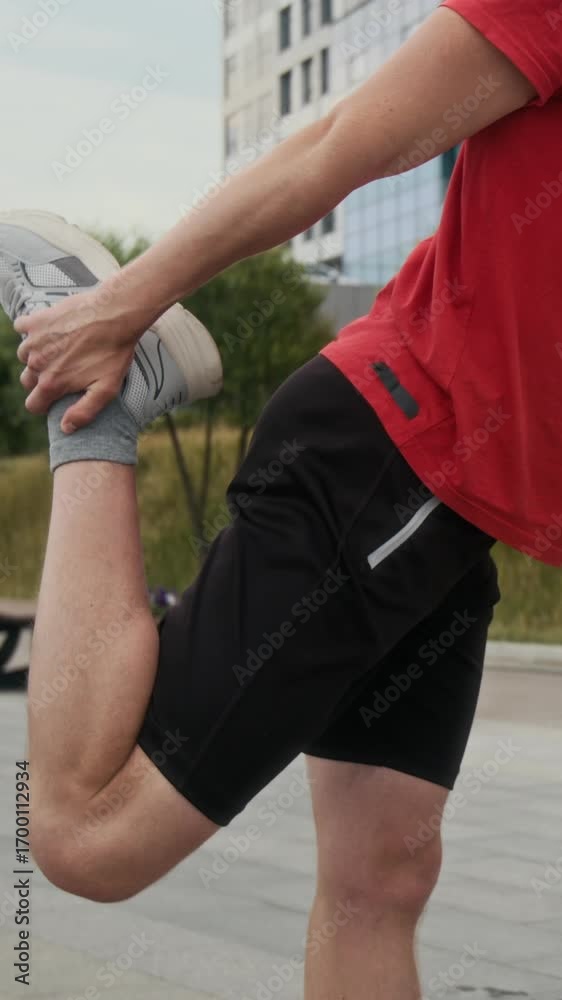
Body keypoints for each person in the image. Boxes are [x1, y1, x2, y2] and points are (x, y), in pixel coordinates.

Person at [1, 1, 560, 996]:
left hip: (456, 514)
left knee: (380, 880)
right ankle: (100, 410)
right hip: (388, 457)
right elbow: (339, 145)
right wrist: (122, 306)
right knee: (87, 837)